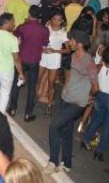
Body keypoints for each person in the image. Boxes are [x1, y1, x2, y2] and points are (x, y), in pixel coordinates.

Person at [44, 32, 98, 173]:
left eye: (72, 40)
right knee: (67, 131)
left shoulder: (89, 62)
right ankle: (66, 164)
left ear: (79, 43)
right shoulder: (74, 56)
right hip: (66, 97)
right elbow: (72, 76)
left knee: (54, 126)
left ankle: (53, 162)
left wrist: (88, 97)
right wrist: (66, 89)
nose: (69, 42)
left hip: (77, 103)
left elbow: (95, 87)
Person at [8, 6, 49, 122]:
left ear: (29, 13)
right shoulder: (44, 30)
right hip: (35, 60)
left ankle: (12, 108)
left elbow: (15, 36)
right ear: (39, 16)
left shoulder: (23, 26)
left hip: (22, 58)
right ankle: (28, 113)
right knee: (32, 87)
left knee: (16, 83)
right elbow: (45, 43)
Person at [0, 13, 24, 112]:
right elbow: (16, 59)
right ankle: (0, 115)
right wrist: (21, 73)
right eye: (13, 22)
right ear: (7, 23)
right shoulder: (13, 39)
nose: (14, 24)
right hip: (7, 70)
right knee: (5, 93)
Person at [37, 9, 69, 116]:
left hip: (55, 59)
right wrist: (42, 49)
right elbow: (39, 41)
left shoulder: (63, 33)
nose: (56, 21)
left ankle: (49, 107)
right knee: (38, 79)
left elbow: (68, 50)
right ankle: (34, 100)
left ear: (62, 21)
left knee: (51, 84)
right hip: (43, 56)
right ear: (51, 19)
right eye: (54, 19)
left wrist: (55, 50)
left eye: (59, 20)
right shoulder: (46, 27)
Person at [81, 48, 109, 162]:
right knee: (107, 126)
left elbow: (92, 80)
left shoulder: (100, 66)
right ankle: (99, 151)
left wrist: (90, 95)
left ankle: (85, 140)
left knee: (96, 120)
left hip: (99, 95)